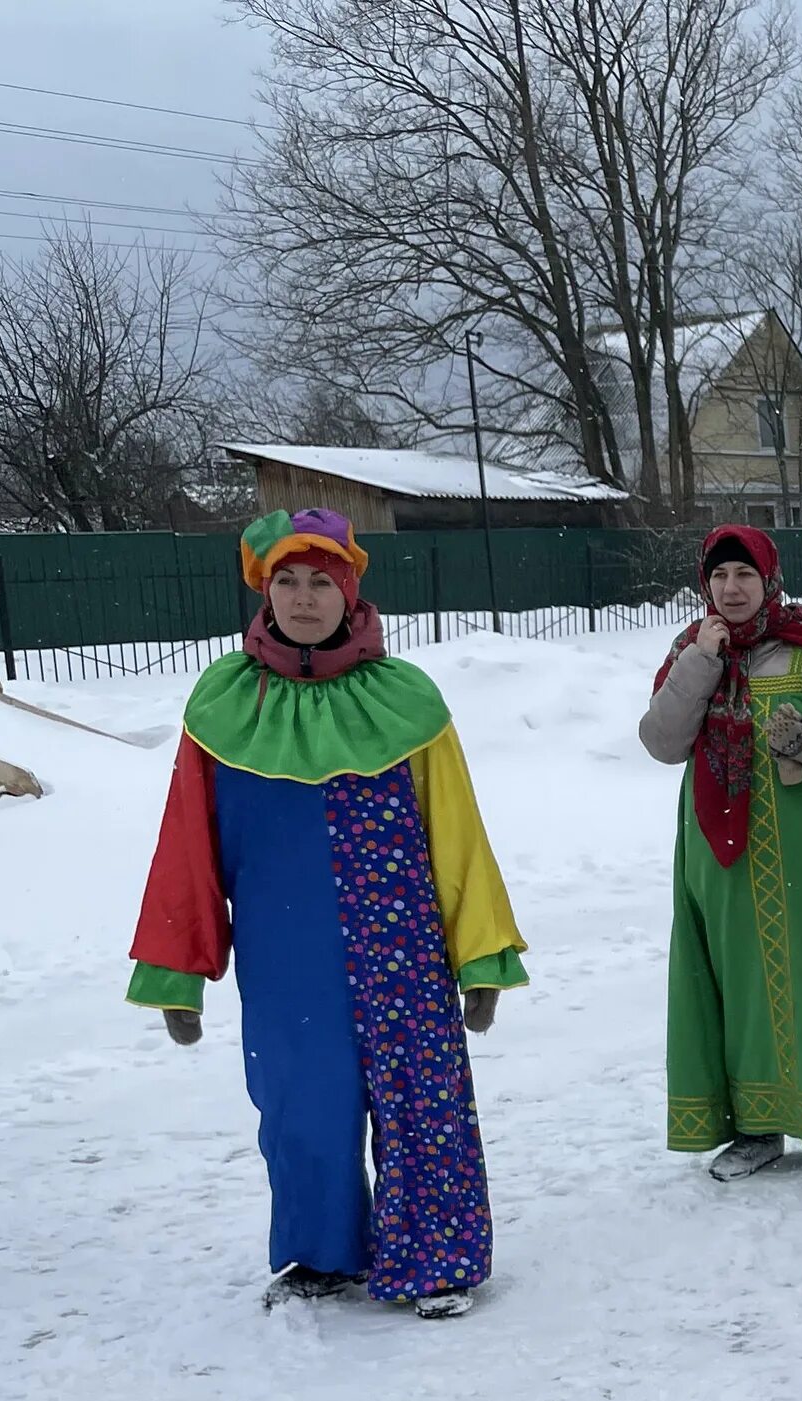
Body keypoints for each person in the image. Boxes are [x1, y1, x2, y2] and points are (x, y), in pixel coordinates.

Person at [127, 508, 526, 1319]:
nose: (304, 598)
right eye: (287, 581)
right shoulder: (221, 704)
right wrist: (177, 968)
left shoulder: (406, 701)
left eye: (321, 582)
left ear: (350, 594)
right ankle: (322, 1251)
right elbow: (188, 845)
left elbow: (456, 833)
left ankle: (436, 1257)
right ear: (264, 592)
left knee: (422, 1101)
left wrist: (480, 951)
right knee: (302, 1104)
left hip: (402, 942)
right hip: (285, 950)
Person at [641, 524, 802, 1181]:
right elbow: (663, 742)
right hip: (719, 852)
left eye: (744, 576)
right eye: (720, 577)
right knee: (738, 986)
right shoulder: (690, 652)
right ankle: (756, 1128)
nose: (731, 589)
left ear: (768, 581)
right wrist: (701, 662)